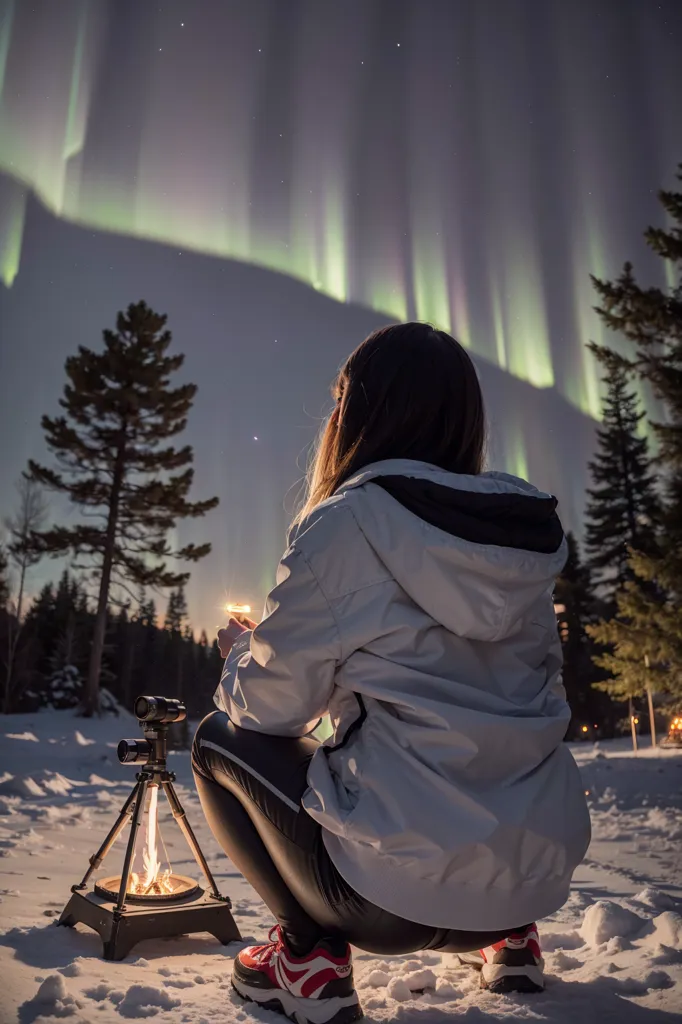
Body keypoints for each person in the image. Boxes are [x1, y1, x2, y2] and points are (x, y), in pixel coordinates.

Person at [192, 322, 591, 1024]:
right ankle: (512, 939)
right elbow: (536, 696)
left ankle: (305, 953)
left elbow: (269, 713)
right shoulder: (525, 536)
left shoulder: (347, 524)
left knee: (217, 738)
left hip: (385, 899)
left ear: (355, 412)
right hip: (532, 881)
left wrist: (241, 656)